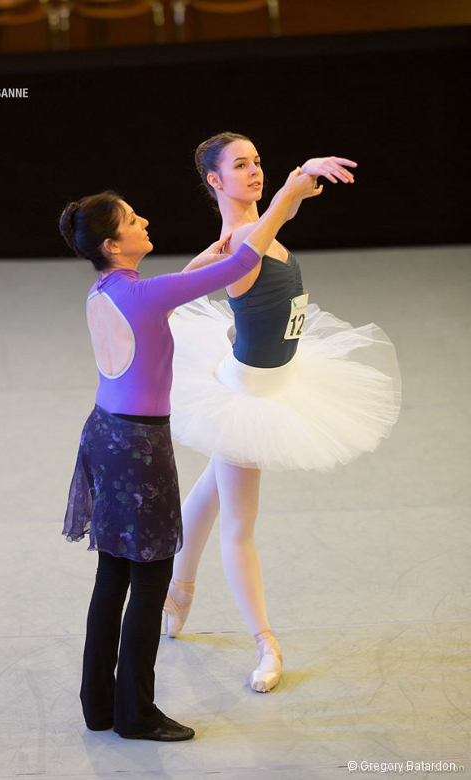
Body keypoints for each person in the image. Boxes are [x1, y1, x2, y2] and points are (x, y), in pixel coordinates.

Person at [58, 175, 321, 741]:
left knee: (113, 575)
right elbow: (234, 266)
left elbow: (178, 283)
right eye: (132, 221)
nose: (144, 223)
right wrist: (286, 200)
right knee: (151, 578)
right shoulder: (143, 295)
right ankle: (137, 713)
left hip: (103, 434)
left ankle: (98, 703)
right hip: (138, 446)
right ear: (112, 244)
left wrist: (211, 252)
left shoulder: (107, 291)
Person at [164, 132, 402, 694]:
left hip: (279, 380)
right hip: (249, 397)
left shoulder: (241, 237)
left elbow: (267, 221)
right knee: (240, 527)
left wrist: (294, 185)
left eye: (258, 162)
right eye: (239, 165)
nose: (255, 171)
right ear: (214, 181)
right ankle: (264, 641)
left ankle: (178, 589)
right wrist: (295, 182)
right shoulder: (244, 238)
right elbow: (267, 220)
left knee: (210, 491)